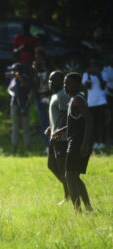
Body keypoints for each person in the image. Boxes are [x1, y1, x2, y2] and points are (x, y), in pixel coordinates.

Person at [52, 73, 93, 212]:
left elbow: (89, 121)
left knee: (69, 175)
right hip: (74, 140)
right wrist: (62, 130)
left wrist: (85, 143)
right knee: (74, 176)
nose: (65, 86)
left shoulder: (78, 100)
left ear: (77, 84)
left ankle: (78, 210)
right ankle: (88, 208)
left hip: (77, 142)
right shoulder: (73, 100)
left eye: (68, 83)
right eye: (64, 83)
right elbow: (77, 121)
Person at [45, 71, 70, 204]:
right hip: (54, 138)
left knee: (63, 169)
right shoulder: (55, 95)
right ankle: (69, 192)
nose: (50, 82)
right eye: (49, 79)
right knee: (52, 165)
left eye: (53, 80)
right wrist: (51, 127)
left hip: (62, 139)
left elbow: (67, 116)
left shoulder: (62, 95)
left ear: (61, 81)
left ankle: (69, 194)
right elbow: (58, 117)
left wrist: (59, 131)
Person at [83, 58, 110, 150]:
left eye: (95, 65)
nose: (93, 67)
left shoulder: (103, 74)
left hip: (102, 101)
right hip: (91, 103)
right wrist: (90, 76)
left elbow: (103, 86)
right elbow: (88, 87)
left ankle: (102, 142)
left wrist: (98, 75)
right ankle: (95, 142)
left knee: (101, 123)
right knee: (92, 124)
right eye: (91, 65)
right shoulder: (86, 75)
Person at [8, 63, 32, 153]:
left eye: (14, 70)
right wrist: (12, 93)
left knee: (26, 127)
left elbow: (27, 87)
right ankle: (14, 147)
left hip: (24, 105)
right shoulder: (13, 80)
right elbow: (9, 89)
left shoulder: (25, 78)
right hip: (14, 105)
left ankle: (28, 147)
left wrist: (20, 78)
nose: (12, 72)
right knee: (15, 127)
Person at [32, 54, 52, 148]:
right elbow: (34, 86)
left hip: (49, 97)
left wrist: (45, 70)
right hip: (39, 98)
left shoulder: (49, 72)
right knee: (43, 122)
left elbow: (50, 86)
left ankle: (54, 143)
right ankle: (47, 145)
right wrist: (35, 71)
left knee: (52, 121)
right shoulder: (34, 72)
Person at [102, 53, 113, 144]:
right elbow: (104, 83)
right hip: (108, 96)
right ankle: (108, 138)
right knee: (108, 118)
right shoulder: (106, 69)